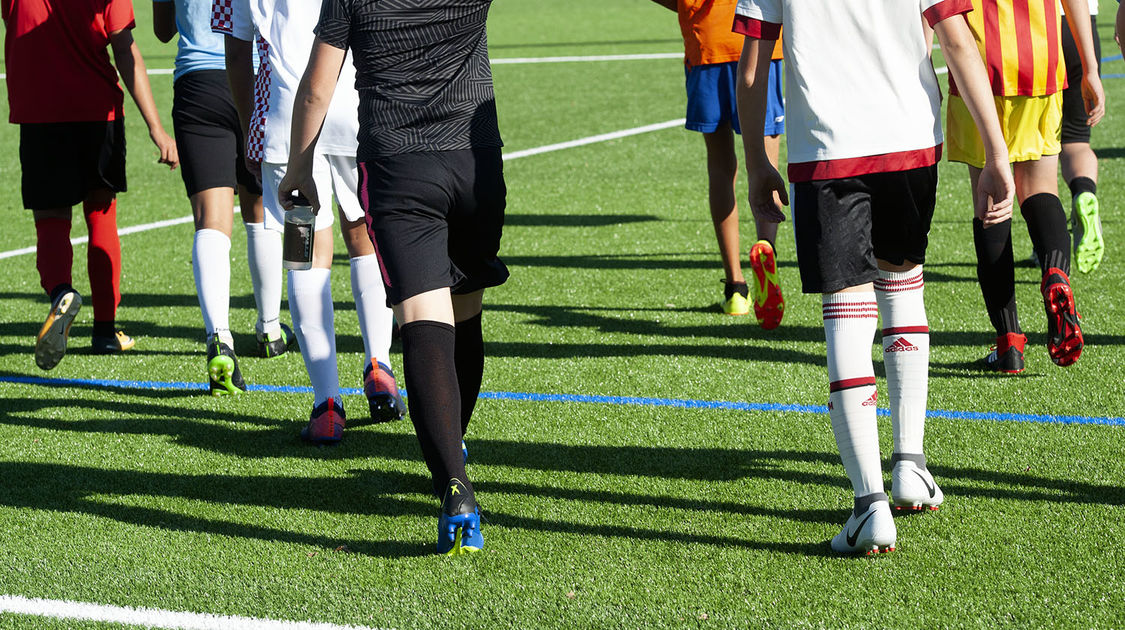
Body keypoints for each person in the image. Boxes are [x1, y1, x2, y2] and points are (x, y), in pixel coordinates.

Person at [735, 0, 1015, 554]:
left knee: (847, 313)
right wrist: (996, 153)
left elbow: (752, 65)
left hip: (828, 149)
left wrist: (757, 161)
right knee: (904, 282)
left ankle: (870, 505)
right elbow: (958, 41)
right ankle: (910, 465)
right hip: (909, 140)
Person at [280, 0, 509, 555]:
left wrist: (298, 166)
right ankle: (452, 447)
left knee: (422, 318)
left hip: (398, 165)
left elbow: (317, 85)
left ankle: (454, 486)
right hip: (474, 162)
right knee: (465, 310)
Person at [214, 0, 404, 435]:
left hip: (285, 115)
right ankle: (380, 365)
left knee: (305, 253)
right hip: (356, 102)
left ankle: (327, 403)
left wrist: (249, 126)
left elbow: (236, 49)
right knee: (364, 234)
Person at [4, 0, 178, 371]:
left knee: (51, 218)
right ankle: (104, 330)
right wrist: (156, 128)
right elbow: (125, 49)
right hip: (97, 109)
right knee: (101, 214)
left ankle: (60, 292)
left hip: (39, 112)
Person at [947, 0, 1104, 373]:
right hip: (1040, 61)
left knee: (990, 201)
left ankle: (1009, 346)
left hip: (978, 65)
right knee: (1039, 187)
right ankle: (1054, 272)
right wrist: (1091, 67)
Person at [153, 0, 293, 396]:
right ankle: (270, 329)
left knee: (211, 219)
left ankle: (220, 338)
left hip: (198, 84)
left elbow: (163, 30)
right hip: (255, 78)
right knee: (260, 209)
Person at [650, 0, 785, 328]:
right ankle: (766, 249)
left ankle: (736, 288)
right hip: (761, 39)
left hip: (708, 44)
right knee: (766, 160)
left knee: (721, 168)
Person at [1060, 0, 1105, 274]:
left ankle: (1046, 241)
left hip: (1036, 27)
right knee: (1077, 140)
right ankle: (1084, 191)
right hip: (1084, 27)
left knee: (1034, 157)